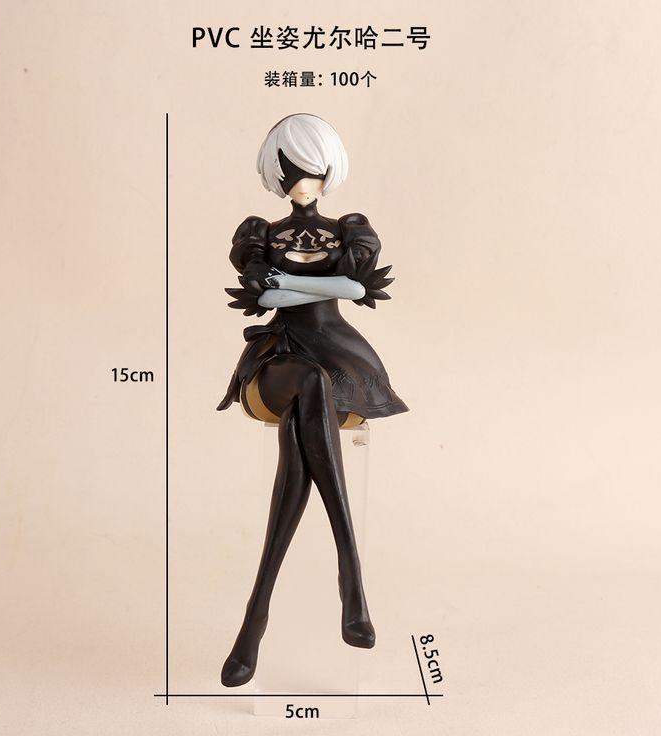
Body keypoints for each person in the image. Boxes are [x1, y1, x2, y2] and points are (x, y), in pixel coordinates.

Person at [217, 113, 408, 687]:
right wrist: (311, 287)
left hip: (339, 356)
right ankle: (351, 578)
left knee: (313, 400)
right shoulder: (260, 230)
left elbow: (354, 286)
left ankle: (254, 619)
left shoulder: (350, 228)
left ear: (329, 172)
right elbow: (266, 295)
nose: (303, 182)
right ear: (276, 174)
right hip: (278, 358)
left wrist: (289, 285)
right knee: (308, 382)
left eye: (313, 170)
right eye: (292, 171)